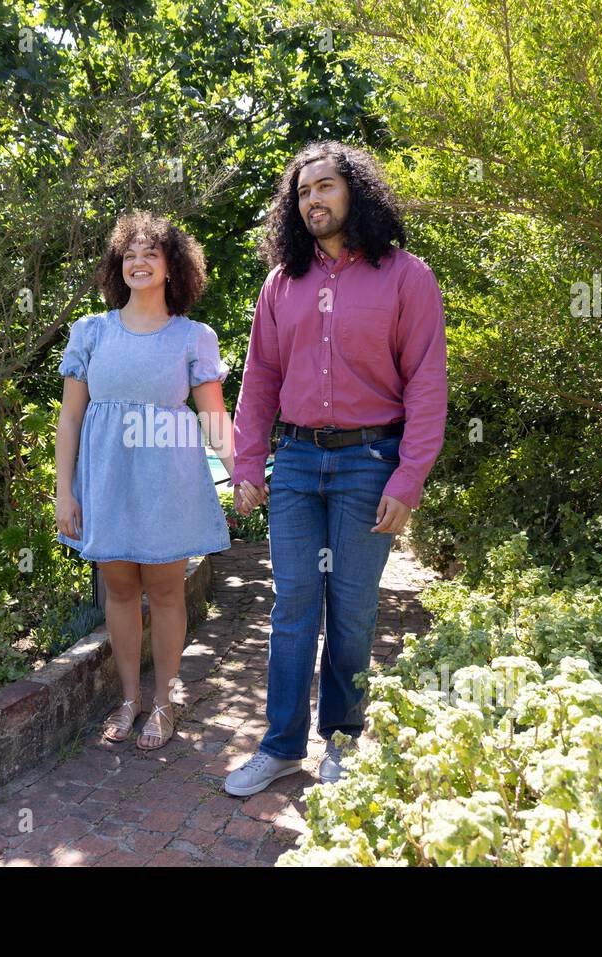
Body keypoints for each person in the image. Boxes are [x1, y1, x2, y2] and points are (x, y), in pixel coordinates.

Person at [224, 141, 448, 796]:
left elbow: (427, 387)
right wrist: (247, 462)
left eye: (326, 186)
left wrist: (408, 478)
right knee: (293, 603)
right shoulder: (281, 284)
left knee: (351, 610)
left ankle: (343, 741)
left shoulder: (407, 277)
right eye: (302, 192)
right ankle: (281, 745)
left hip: (368, 463)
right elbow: (260, 380)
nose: (314, 199)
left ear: (356, 192)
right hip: (294, 462)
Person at [54, 210, 235, 751]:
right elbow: (70, 419)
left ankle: (164, 702)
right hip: (106, 479)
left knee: (165, 592)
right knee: (120, 589)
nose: (138, 262)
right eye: (129, 254)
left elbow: (213, 418)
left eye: (150, 253)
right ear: (118, 265)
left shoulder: (193, 337)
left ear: (173, 268)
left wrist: (241, 469)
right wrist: (64, 491)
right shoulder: (91, 331)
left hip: (168, 480)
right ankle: (129, 698)